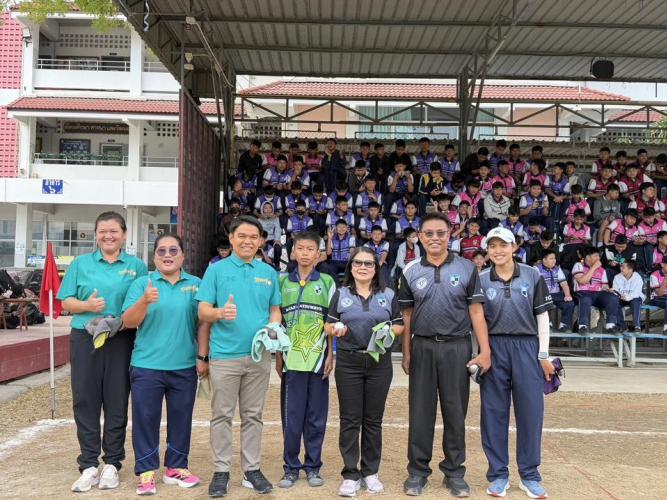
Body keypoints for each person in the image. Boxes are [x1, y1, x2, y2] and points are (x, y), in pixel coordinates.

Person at [399, 212, 491, 497]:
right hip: (422, 347)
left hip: (457, 347)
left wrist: (484, 351)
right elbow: (406, 315)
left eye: (441, 233)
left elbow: (476, 312)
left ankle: (454, 472)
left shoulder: (466, 268)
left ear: (449, 234)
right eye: (429, 233)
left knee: (455, 412)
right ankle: (417, 472)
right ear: (420, 237)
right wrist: (406, 352)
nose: (435, 238)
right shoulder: (410, 270)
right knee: (420, 412)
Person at [59, 211, 148, 492]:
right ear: (96, 235)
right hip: (85, 337)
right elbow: (66, 302)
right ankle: (88, 464)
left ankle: (112, 463)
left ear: (124, 234)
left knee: (116, 399)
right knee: (85, 399)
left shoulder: (137, 266)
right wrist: (87, 306)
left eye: (114, 231)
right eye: (102, 232)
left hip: (120, 338)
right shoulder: (80, 263)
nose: (108, 236)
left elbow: (141, 304)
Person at [196, 216, 282, 497]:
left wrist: (273, 327)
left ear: (261, 241)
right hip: (225, 356)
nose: (247, 241)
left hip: (258, 356)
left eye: (253, 237)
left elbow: (275, 310)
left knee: (253, 415)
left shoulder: (268, 273)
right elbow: (202, 311)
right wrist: (220, 313)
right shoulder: (216, 270)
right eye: (242, 236)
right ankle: (221, 471)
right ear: (231, 239)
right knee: (221, 414)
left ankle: (251, 469)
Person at [121, 234, 206, 495]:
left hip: (184, 366)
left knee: (182, 418)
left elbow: (203, 323)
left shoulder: (196, 284)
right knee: (145, 419)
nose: (167, 255)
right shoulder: (142, 284)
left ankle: (176, 467)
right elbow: (129, 322)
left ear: (183, 255)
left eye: (173, 250)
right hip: (147, 365)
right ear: (154, 256)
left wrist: (202, 357)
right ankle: (146, 472)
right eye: (161, 251)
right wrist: (144, 300)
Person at [478, 226, 555, 499]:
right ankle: (498, 474)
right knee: (493, 413)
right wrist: (482, 352)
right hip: (494, 347)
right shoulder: (481, 279)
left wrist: (543, 355)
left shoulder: (532, 275)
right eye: (492, 246)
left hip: (527, 347)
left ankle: (529, 475)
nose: (498, 250)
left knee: (531, 413)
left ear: (514, 247)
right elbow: (477, 320)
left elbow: (542, 317)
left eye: (503, 245)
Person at [325, 247, 405, 496]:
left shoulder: (388, 294)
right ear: (350, 267)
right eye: (357, 263)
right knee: (350, 419)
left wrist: (389, 331)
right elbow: (328, 324)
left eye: (368, 263)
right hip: (349, 363)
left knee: (373, 420)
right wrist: (336, 328)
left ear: (376, 268)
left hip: (379, 363)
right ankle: (350, 474)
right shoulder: (341, 294)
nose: (362, 267)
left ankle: (370, 472)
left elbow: (399, 325)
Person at [276, 231, 336, 489]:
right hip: (292, 362)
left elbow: (333, 322)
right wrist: (278, 355)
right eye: (300, 248)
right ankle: (290, 467)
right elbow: (277, 321)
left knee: (316, 417)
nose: (304, 253)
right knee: (292, 417)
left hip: (318, 361)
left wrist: (331, 354)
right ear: (293, 252)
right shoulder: (282, 282)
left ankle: (313, 466)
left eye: (310, 249)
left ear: (319, 254)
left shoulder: (328, 282)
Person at [572, 246, 620, 334]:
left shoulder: (602, 270)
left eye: (599, 256)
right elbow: (582, 281)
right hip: (582, 292)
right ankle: (582, 326)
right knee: (586, 299)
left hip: (598, 294)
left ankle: (611, 325)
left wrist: (608, 289)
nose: (598, 258)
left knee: (613, 297)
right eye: (595, 256)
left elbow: (604, 286)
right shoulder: (578, 265)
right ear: (587, 257)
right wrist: (593, 268)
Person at [535, 249, 575, 331]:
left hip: (556, 295)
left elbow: (564, 284)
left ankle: (564, 325)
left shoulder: (557, 269)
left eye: (555, 258)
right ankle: (547, 324)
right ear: (544, 260)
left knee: (569, 303)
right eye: (551, 258)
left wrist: (567, 295)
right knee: (544, 300)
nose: (554, 260)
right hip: (543, 295)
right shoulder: (536, 269)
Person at [611, 260, 645, 333]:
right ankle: (621, 326)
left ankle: (637, 326)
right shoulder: (617, 277)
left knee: (636, 302)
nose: (621, 268)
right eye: (621, 266)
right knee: (614, 301)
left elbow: (637, 292)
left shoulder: (637, 277)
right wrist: (619, 295)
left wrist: (627, 297)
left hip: (634, 297)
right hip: (621, 297)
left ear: (630, 269)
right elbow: (615, 290)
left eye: (623, 267)